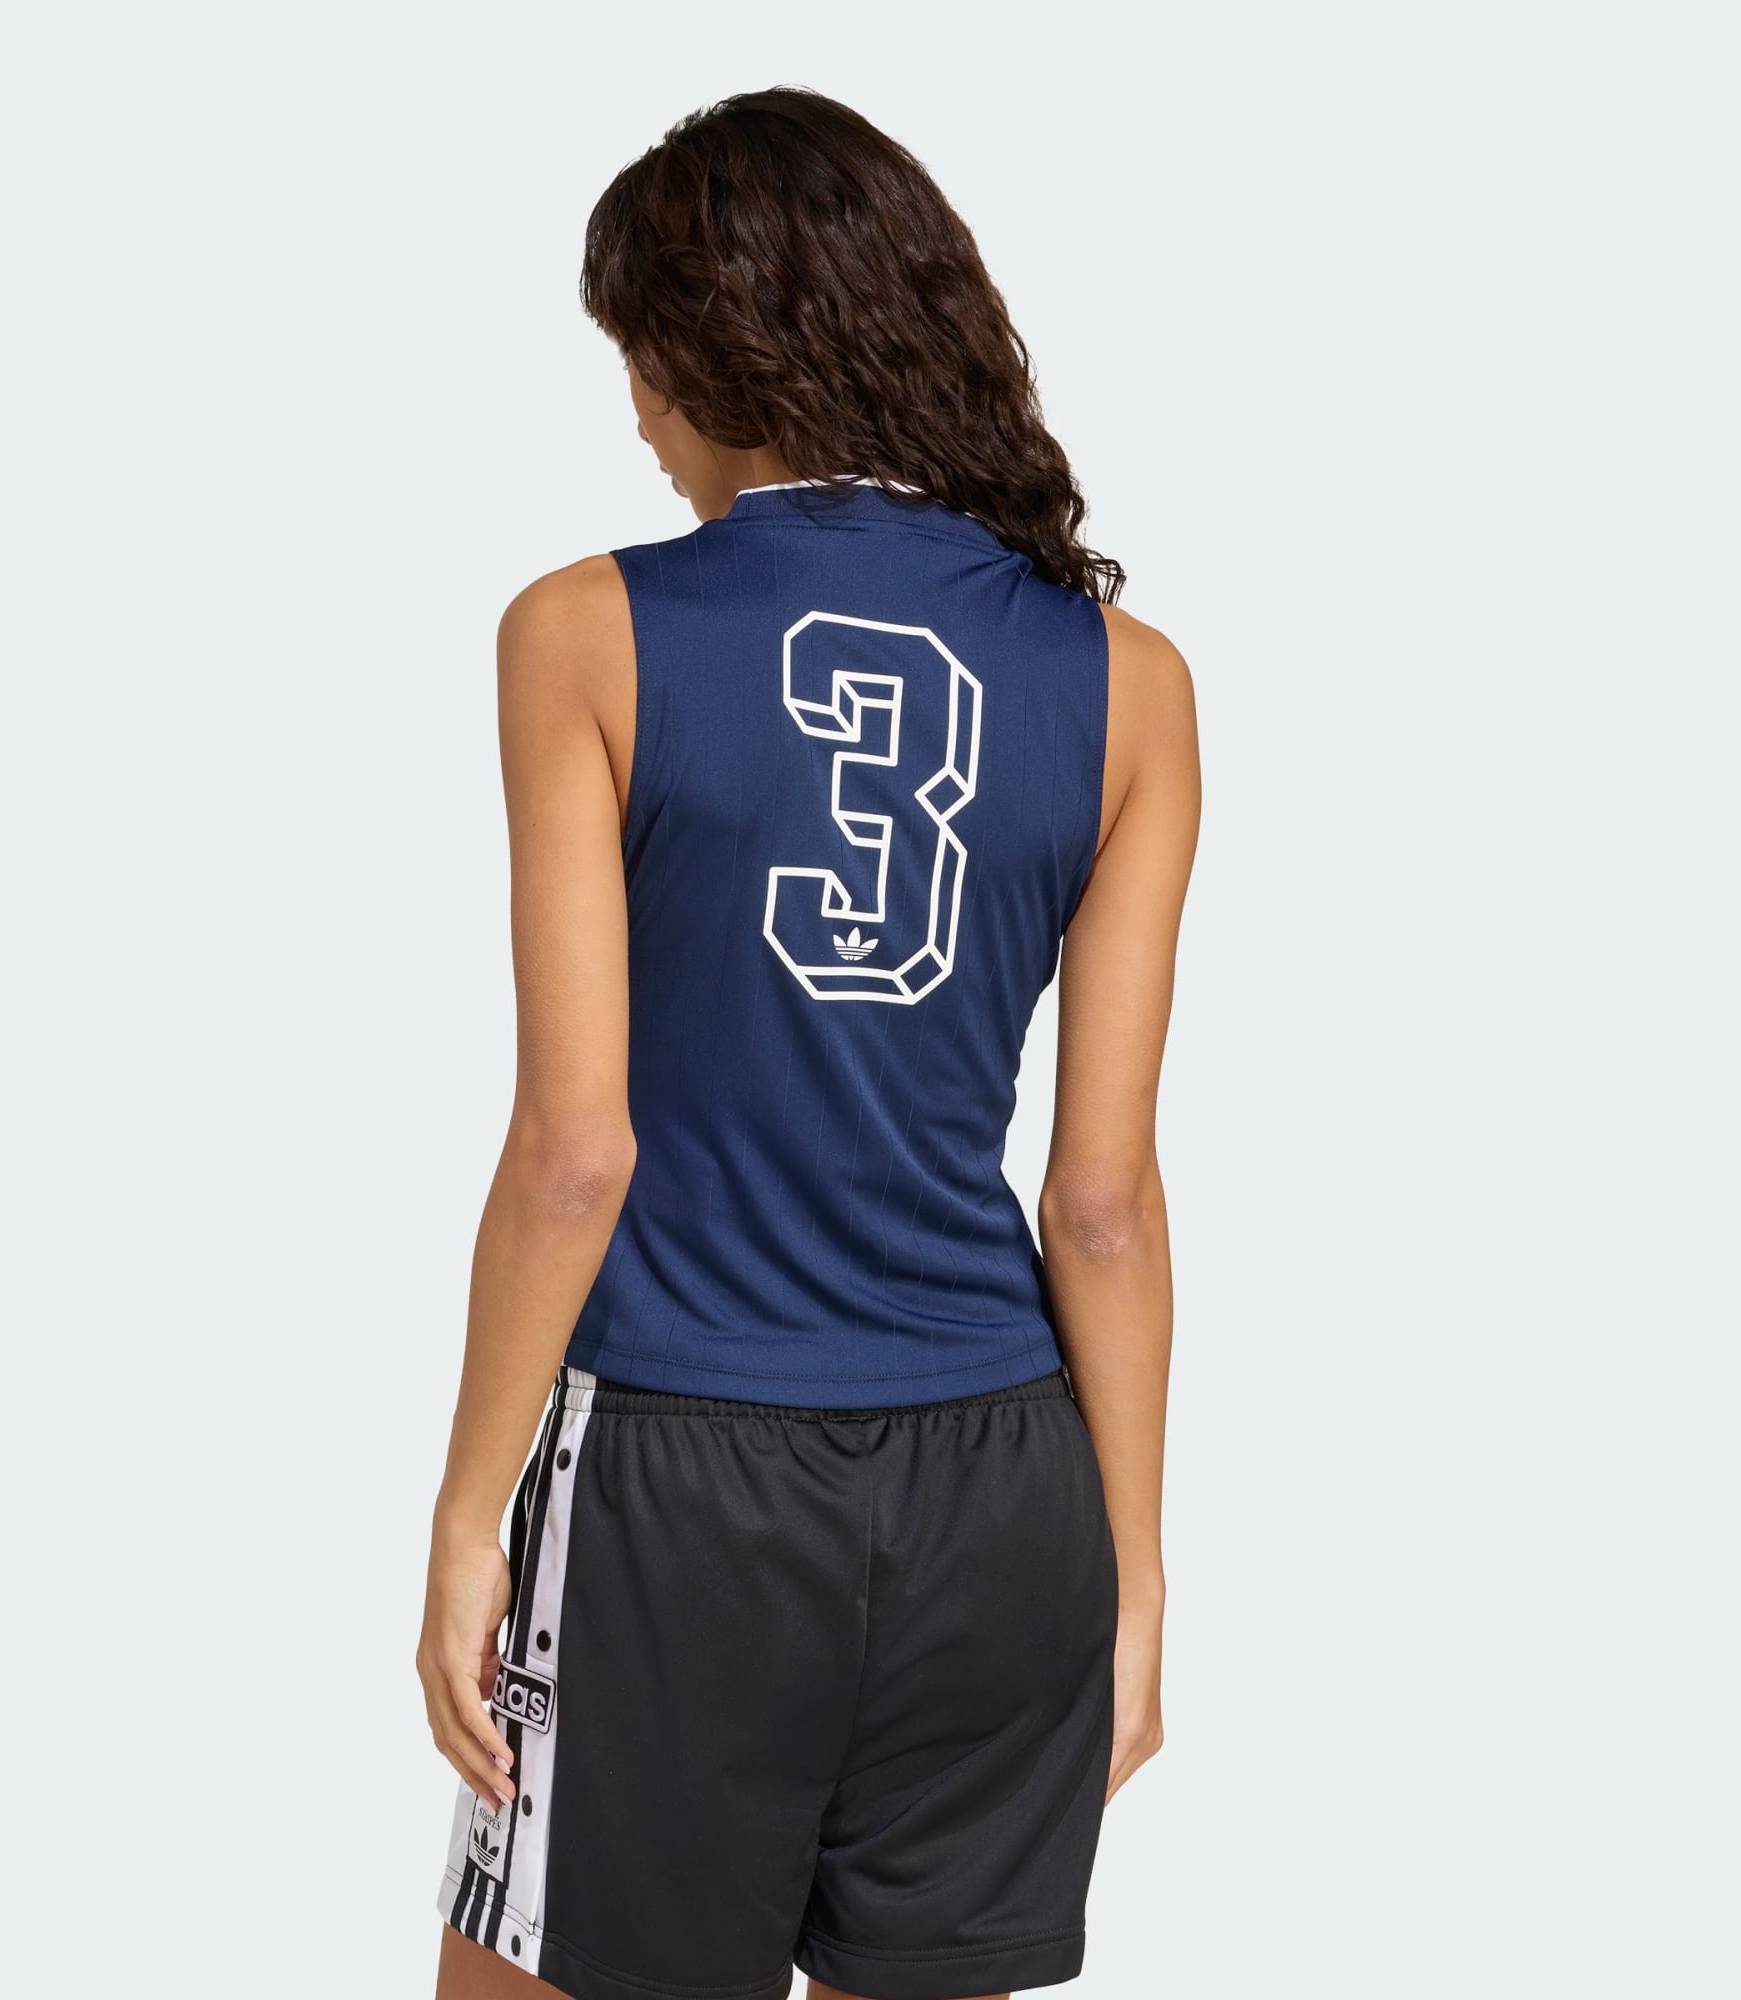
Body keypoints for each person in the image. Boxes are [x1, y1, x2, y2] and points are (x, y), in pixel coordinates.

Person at [419, 87, 1199, 2000]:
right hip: (1005, 1495)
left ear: (719, 354)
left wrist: (464, 1518)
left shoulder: (583, 634)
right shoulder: (1134, 684)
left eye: (638, 360)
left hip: (681, 1477)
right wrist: (1134, 1576)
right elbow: (1100, 1205)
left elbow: (574, 1154)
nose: (635, 415)